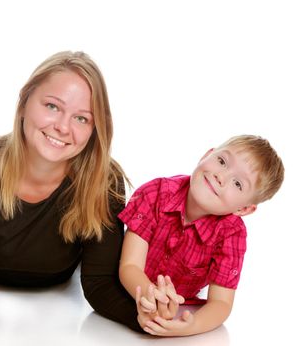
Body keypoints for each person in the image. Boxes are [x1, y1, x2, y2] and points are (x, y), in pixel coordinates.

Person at [0, 50, 145, 332]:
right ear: (24, 101)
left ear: (95, 129)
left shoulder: (104, 182)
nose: (63, 127)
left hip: (58, 293)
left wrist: (149, 319)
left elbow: (99, 283)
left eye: (82, 119)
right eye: (52, 106)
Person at [118, 134, 285, 336]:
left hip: (179, 303)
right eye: (222, 161)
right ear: (207, 155)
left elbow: (221, 302)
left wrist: (191, 326)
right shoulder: (156, 193)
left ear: (244, 209)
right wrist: (152, 297)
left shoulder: (231, 233)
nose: (220, 176)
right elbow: (129, 266)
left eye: (238, 184)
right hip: (131, 288)